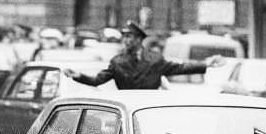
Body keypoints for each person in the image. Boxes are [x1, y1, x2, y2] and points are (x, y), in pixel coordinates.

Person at [64, 20, 222, 89]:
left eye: (129, 37)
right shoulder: (117, 62)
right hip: (127, 109)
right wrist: (78, 75)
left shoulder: (155, 59)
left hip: (148, 107)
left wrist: (206, 63)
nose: (125, 41)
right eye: (124, 37)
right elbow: (97, 80)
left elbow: (180, 68)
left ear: (139, 39)